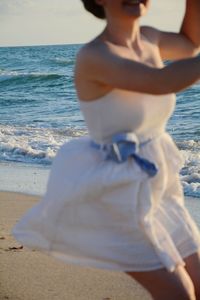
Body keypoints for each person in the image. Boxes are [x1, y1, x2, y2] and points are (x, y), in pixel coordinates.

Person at [12, 0, 200, 299]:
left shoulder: (150, 38)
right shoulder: (95, 55)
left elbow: (190, 45)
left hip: (159, 182)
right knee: (179, 294)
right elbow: (161, 80)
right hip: (118, 191)